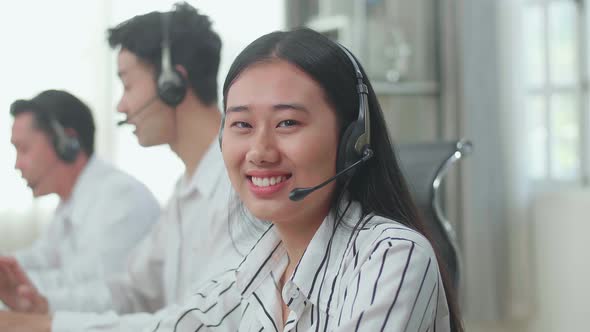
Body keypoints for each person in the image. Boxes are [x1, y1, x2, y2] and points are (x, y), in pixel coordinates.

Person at [146, 27, 465, 331]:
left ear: (352, 140)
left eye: (286, 122)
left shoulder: (391, 257)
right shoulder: (254, 276)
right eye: (242, 125)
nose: (259, 151)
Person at [0, 2, 255, 332]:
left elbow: (204, 325)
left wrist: (44, 325)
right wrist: (43, 308)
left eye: (128, 84)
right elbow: (132, 290)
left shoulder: (242, 186)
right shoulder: (185, 191)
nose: (121, 104)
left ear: (171, 83)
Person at [0, 89, 160, 313]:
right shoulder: (70, 201)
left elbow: (101, 298)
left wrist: (15, 288)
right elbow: (43, 257)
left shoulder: (120, 199)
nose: (17, 165)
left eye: (24, 149)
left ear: (68, 142)